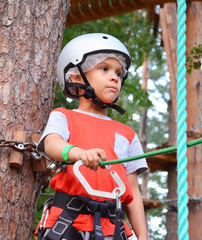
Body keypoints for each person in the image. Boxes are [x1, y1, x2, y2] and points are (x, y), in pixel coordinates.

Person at [36, 33, 148, 240]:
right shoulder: (64, 116)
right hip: (68, 224)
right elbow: (51, 143)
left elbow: (132, 191)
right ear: (77, 77)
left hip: (112, 229)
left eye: (118, 72)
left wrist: (143, 237)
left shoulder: (127, 134)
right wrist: (78, 153)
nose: (115, 77)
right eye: (104, 69)